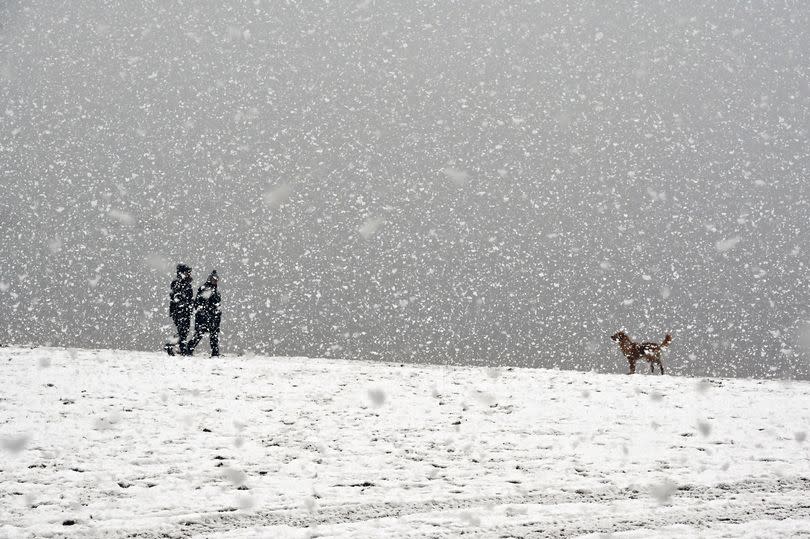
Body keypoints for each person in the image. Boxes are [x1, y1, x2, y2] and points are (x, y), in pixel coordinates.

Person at [186, 270, 222, 357]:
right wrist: (207, 312)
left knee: (212, 335)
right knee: (200, 334)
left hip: (212, 317)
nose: (215, 281)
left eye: (216, 279)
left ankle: (215, 353)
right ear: (210, 279)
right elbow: (200, 303)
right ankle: (189, 349)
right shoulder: (206, 289)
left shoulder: (213, 289)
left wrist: (216, 312)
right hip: (205, 317)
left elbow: (215, 303)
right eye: (214, 279)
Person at [165, 263, 194, 356]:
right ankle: (178, 348)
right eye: (187, 272)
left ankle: (172, 345)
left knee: (184, 331)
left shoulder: (185, 283)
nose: (189, 274)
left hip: (184, 311)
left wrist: (189, 304)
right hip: (180, 311)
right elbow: (176, 297)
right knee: (183, 331)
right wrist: (185, 304)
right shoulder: (178, 283)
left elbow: (186, 297)